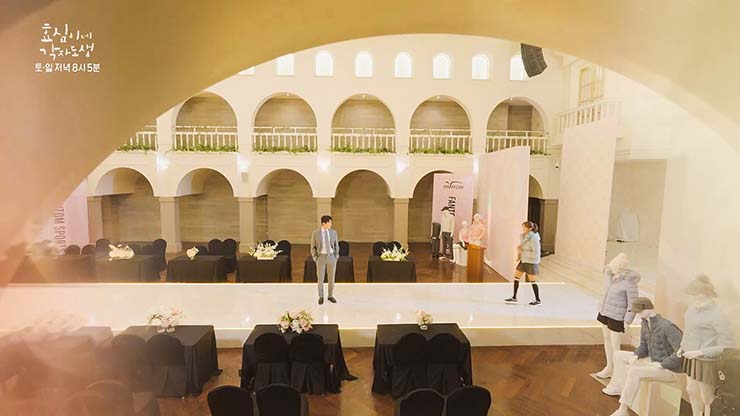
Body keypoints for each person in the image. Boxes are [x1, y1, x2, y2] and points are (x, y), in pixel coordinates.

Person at [605, 298, 683, 416]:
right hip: (652, 361)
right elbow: (643, 346)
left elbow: (681, 352)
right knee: (618, 355)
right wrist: (636, 355)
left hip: (670, 370)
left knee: (634, 372)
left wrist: (663, 364)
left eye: (639, 311)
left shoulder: (668, 326)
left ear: (648, 309)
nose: (637, 314)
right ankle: (617, 386)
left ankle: (623, 410)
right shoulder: (645, 323)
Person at [678, 275, 735, 416]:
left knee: (707, 397)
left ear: (707, 294)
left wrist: (701, 352)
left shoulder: (718, 315)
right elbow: (689, 330)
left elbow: (727, 345)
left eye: (697, 295)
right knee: (691, 390)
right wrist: (682, 347)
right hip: (691, 357)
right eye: (693, 295)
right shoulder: (692, 309)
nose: (694, 298)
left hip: (706, 361)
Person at [595, 253, 640, 379]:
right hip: (605, 312)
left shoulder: (629, 283)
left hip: (617, 317)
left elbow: (633, 304)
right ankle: (609, 367)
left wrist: (628, 321)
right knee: (606, 339)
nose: (612, 268)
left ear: (621, 268)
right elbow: (606, 270)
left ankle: (618, 372)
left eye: (615, 266)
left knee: (615, 345)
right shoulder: (610, 276)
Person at [505, 221, 542, 306]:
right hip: (523, 261)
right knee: (516, 278)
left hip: (531, 262)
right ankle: (514, 297)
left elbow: (536, 253)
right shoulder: (524, 237)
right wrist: (520, 251)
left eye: (524, 227)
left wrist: (522, 251)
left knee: (533, 281)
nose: (522, 229)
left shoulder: (534, 238)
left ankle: (538, 299)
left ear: (530, 228)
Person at [310, 215, 339, 305]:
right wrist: (315, 258)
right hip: (321, 257)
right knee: (320, 278)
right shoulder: (316, 233)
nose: (331, 224)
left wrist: (336, 256)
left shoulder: (333, 232)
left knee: (331, 278)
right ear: (324, 223)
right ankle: (321, 296)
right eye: (329, 223)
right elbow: (313, 247)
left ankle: (330, 295)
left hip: (331, 257)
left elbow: (336, 245)